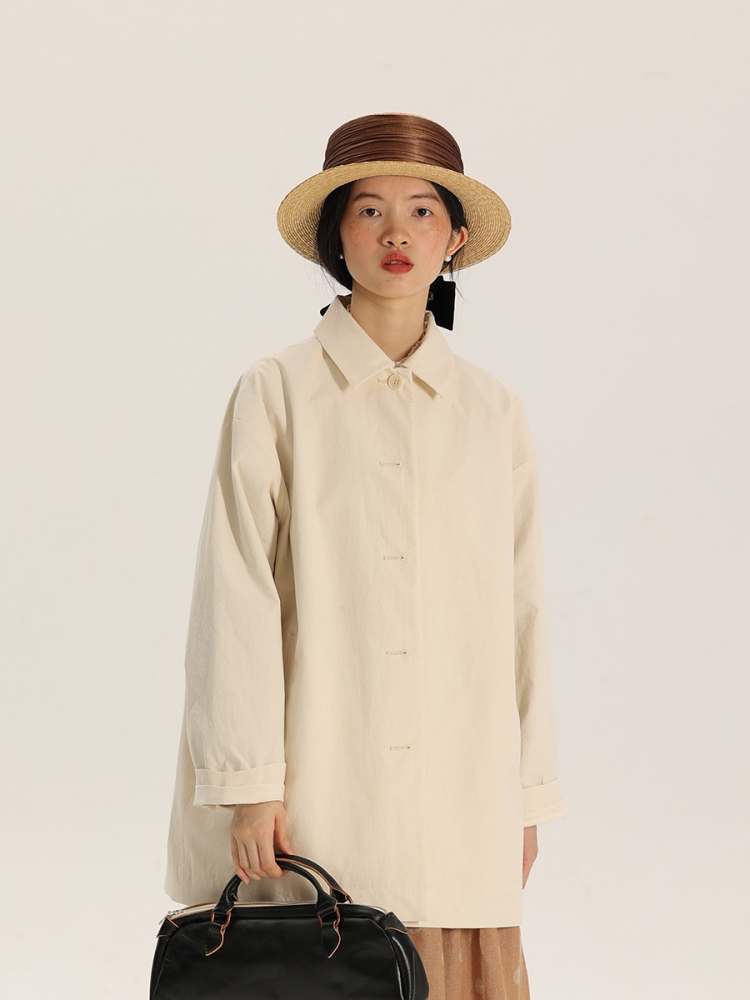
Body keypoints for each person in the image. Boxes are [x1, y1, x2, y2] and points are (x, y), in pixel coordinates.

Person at [163, 112, 567, 1000]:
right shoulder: (277, 391)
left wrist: (526, 797)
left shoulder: (492, 411)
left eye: (422, 211)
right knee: (318, 967)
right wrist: (248, 783)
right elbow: (235, 593)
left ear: (455, 240)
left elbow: (522, 610)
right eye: (369, 210)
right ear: (335, 237)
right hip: (315, 780)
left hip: (462, 780)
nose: (396, 234)